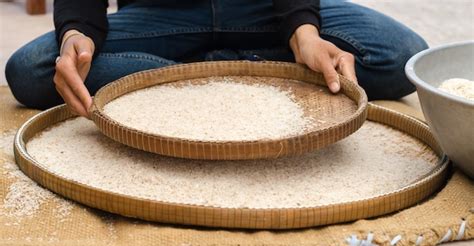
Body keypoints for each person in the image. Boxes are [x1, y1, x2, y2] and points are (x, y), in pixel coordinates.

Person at [5, 0, 428, 117]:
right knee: (32, 69)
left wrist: (303, 33)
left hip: (262, 11)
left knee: (401, 55)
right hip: (162, 14)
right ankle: (227, 70)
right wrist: (76, 33)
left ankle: (204, 66)